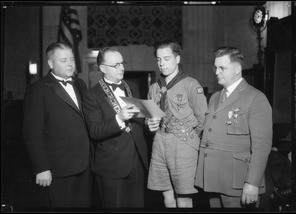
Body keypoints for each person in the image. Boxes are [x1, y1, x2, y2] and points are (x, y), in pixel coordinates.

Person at [194, 46, 273, 208]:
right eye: (215, 68)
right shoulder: (215, 97)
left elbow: (262, 147)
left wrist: (253, 183)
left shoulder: (256, 98)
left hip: (237, 182)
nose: (216, 72)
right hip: (213, 179)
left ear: (237, 69)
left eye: (222, 68)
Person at [23, 42, 91, 208]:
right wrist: (41, 167)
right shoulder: (38, 89)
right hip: (57, 170)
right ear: (51, 64)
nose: (70, 64)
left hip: (85, 166)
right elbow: (32, 133)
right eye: (64, 60)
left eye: (72, 59)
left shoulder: (80, 84)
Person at [82, 47, 149, 208]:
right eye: (116, 65)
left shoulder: (132, 86)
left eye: (122, 63)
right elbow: (95, 131)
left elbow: (138, 122)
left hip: (137, 160)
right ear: (103, 68)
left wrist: (149, 124)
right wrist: (118, 118)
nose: (122, 68)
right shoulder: (92, 95)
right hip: (112, 165)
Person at [146, 41, 207, 208]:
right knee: (167, 199)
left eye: (166, 58)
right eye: (159, 59)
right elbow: (149, 115)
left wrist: (191, 141)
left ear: (177, 58)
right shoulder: (154, 87)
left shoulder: (190, 84)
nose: (161, 63)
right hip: (159, 143)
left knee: (184, 199)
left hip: (183, 144)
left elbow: (203, 118)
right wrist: (149, 124)